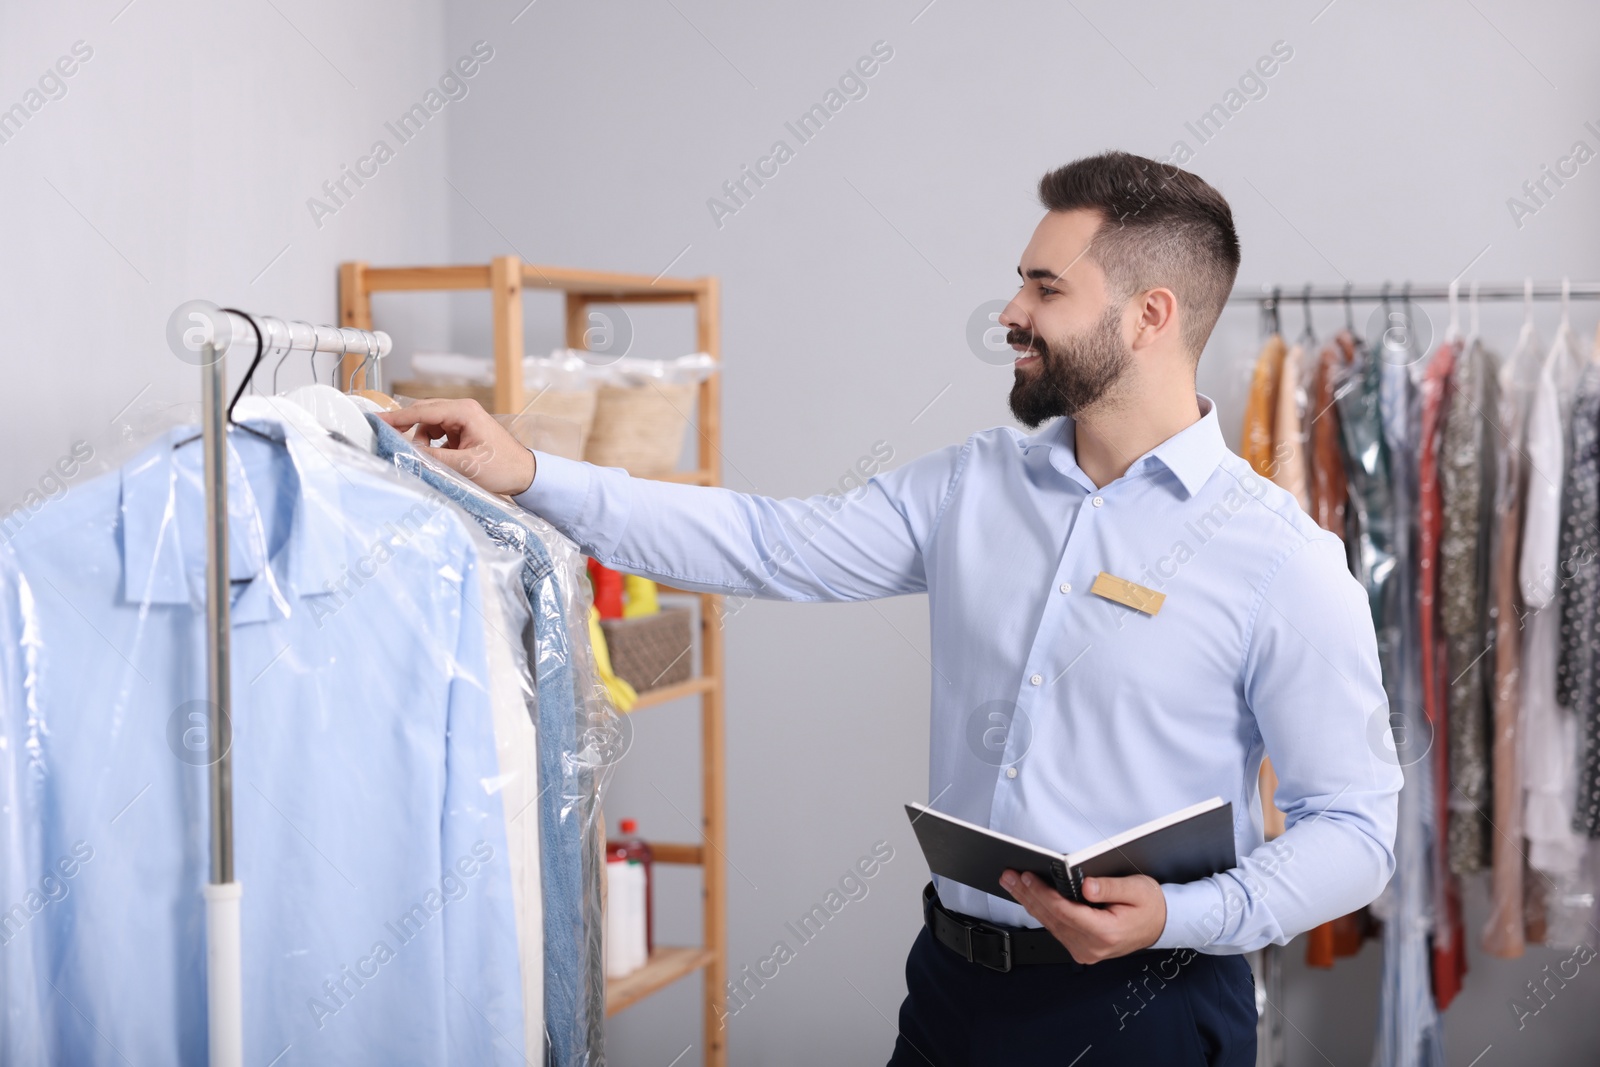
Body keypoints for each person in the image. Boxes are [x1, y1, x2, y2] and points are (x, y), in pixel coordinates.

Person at [380, 150, 1402, 1066]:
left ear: (1149, 315)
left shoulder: (1282, 559)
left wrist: (1180, 912)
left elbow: (1354, 828)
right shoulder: (971, 487)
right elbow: (767, 543)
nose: (1009, 311)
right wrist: (530, 472)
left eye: (1045, 286)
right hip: (953, 989)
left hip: (1147, 1009)